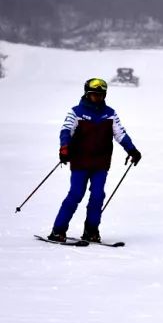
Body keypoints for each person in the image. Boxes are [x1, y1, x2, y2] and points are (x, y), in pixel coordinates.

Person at [48, 77, 141, 243]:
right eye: (93, 94)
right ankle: (58, 230)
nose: (97, 98)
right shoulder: (76, 112)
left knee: (98, 196)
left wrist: (132, 150)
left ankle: (91, 230)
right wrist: (64, 148)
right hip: (80, 162)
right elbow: (66, 131)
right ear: (87, 94)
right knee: (76, 194)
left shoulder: (110, 114)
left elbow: (120, 134)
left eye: (100, 95)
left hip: (101, 163)